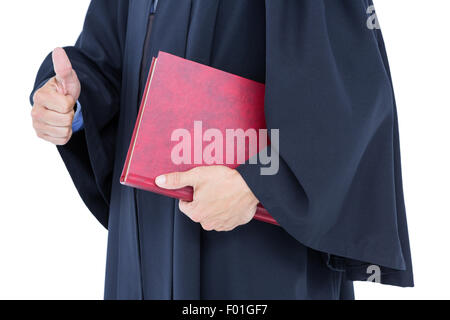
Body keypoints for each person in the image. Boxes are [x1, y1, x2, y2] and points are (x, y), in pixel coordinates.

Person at [29, 0, 413, 300]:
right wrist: (71, 104)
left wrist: (257, 185)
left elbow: (351, 97)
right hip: (148, 240)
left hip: (255, 256)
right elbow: (106, 62)